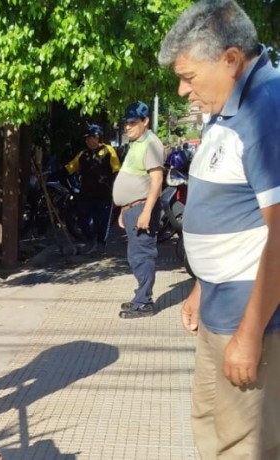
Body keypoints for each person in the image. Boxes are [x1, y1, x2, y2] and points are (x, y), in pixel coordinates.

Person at [159, 1, 280, 456]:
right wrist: (201, 286)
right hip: (219, 305)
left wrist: (250, 335)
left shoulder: (267, 112)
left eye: (189, 76)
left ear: (231, 59)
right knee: (213, 431)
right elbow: (235, 214)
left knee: (245, 445)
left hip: (252, 318)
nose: (182, 89)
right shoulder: (230, 108)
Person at [112, 101, 164, 320]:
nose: (127, 127)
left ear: (145, 121)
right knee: (135, 255)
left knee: (142, 255)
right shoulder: (137, 143)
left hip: (142, 208)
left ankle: (144, 303)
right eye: (126, 123)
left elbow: (156, 180)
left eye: (133, 123)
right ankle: (140, 297)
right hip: (133, 208)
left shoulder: (151, 143)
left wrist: (146, 212)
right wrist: (123, 208)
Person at [53, 124, 120, 254]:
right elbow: (69, 168)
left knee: (103, 220)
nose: (88, 140)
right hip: (87, 193)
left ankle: (101, 244)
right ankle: (90, 240)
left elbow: (117, 170)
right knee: (82, 216)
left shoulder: (109, 151)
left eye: (91, 137)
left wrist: (116, 188)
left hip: (104, 193)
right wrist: (51, 176)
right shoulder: (83, 154)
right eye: (87, 138)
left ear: (98, 137)